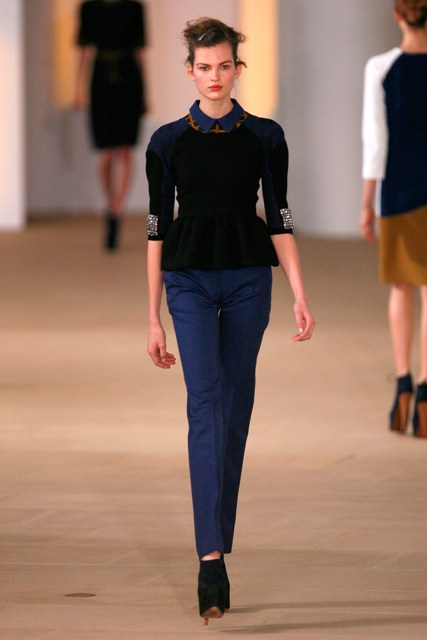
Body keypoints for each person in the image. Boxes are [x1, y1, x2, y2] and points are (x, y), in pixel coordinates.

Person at [145, 17, 315, 624]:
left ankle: (217, 535)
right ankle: (209, 560)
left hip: (248, 281)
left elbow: (281, 217)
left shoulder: (265, 136)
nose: (214, 77)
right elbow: (156, 229)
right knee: (204, 403)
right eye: (204, 67)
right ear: (190, 72)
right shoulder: (167, 142)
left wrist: (299, 293)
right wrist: (152, 317)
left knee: (235, 407)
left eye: (224, 66)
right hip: (188, 281)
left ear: (237, 69)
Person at [360, 0, 427, 438]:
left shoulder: (381, 68)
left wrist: (366, 204)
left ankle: (403, 383)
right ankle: (426, 392)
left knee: (401, 286)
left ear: (398, 15)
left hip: (399, 192)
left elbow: (375, 141)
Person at [74, 0, 147, 251]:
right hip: (101, 80)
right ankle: (111, 204)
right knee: (105, 153)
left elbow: (140, 53)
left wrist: (145, 94)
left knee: (125, 150)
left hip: (129, 80)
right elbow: (83, 50)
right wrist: (77, 89)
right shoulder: (89, 8)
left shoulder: (135, 8)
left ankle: (117, 209)